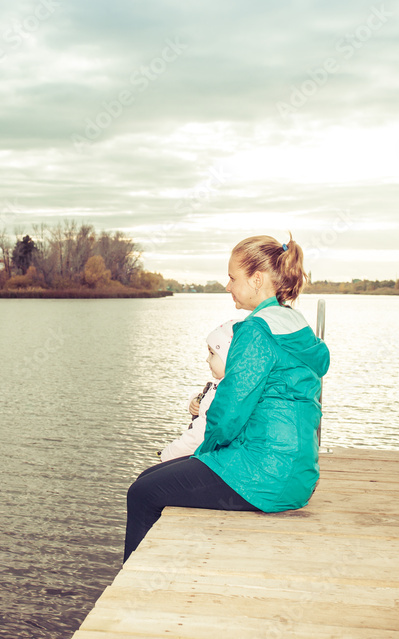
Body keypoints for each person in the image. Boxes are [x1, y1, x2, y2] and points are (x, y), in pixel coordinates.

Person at [123, 233, 330, 562]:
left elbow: (228, 415)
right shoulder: (293, 324)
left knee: (143, 492)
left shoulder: (255, 331)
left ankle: (134, 582)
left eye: (233, 278)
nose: (228, 286)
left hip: (263, 476)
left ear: (257, 279)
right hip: (297, 474)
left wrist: (201, 455)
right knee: (152, 477)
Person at [157, 321, 235, 462]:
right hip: (208, 454)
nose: (207, 359)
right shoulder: (220, 384)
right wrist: (193, 402)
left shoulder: (225, 393)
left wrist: (168, 454)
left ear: (228, 357)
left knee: (146, 482)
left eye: (212, 353)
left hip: (206, 455)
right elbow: (205, 400)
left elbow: (200, 435)